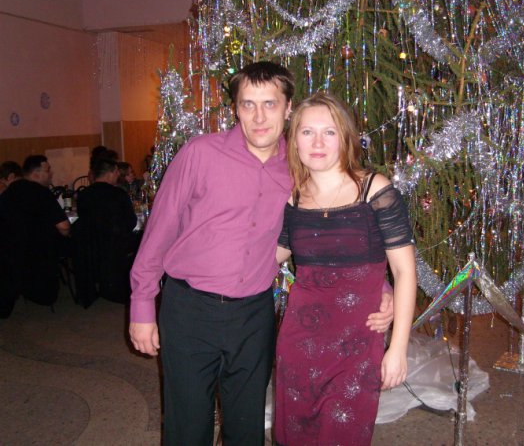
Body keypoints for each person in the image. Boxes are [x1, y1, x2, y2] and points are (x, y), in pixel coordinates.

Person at [129, 61, 394, 445]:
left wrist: (378, 286)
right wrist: (142, 304)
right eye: (248, 104)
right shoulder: (199, 154)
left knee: (246, 425)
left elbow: (334, 231)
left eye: (269, 104)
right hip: (189, 310)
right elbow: (159, 232)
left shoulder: (300, 168)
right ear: (235, 108)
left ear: (288, 109)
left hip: (254, 315)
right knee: (187, 425)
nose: (258, 117)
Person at [274, 92, 417, 446]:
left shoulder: (375, 190)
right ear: (294, 141)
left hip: (358, 343)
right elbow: (268, 257)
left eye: (329, 132)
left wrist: (398, 347)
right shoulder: (292, 198)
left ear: (345, 137)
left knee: (345, 432)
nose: (318, 143)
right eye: (307, 132)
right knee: (297, 433)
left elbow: (404, 272)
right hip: (299, 341)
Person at [0, 155, 70, 317]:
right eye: (48, 170)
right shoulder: (41, 193)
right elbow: (64, 227)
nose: (51, 173)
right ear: (36, 173)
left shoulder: (9, 192)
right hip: (40, 253)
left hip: (10, 253)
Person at [72, 158, 137, 307]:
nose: (118, 175)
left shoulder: (84, 195)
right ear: (111, 173)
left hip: (90, 244)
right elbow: (131, 222)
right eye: (117, 172)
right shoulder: (118, 194)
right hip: (116, 243)